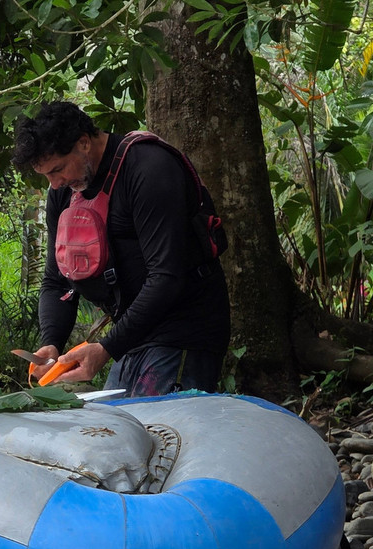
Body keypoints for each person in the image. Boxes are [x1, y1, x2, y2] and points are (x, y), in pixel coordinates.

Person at [12, 101, 230, 395]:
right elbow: (57, 281)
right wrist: (51, 343)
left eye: (58, 170)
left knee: (156, 423)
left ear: (84, 143)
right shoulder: (63, 192)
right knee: (116, 421)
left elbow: (166, 276)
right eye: (47, 175)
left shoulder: (148, 168)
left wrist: (106, 348)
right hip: (131, 337)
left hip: (183, 332)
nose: (55, 183)